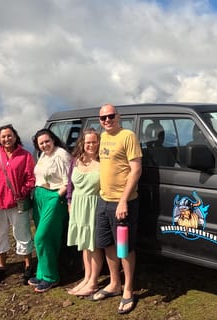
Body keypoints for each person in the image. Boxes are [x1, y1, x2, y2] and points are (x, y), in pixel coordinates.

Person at [90, 104, 142, 315]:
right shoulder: (102, 137)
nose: (107, 120)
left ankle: (128, 289)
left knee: (124, 247)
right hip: (103, 201)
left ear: (118, 116)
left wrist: (123, 201)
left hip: (122, 203)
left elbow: (136, 169)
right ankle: (114, 283)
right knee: (108, 244)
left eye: (110, 116)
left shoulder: (128, 136)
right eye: (103, 118)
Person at [0, 124, 36, 286]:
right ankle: (2, 266)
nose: (7, 139)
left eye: (9, 135)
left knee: (23, 234)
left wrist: (22, 192)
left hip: (18, 204)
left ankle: (27, 266)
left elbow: (31, 178)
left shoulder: (25, 156)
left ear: (15, 137)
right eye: (3, 136)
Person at [28, 129, 72, 293]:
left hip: (54, 197)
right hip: (40, 196)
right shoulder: (43, 155)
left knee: (42, 236)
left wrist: (56, 197)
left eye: (47, 141)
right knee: (46, 237)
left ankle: (51, 277)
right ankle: (42, 273)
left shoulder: (61, 155)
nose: (45, 145)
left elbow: (69, 181)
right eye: (41, 143)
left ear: (53, 140)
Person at [64, 128, 102, 297]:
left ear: (99, 143)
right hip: (78, 204)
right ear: (82, 143)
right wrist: (69, 201)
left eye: (94, 142)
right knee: (84, 244)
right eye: (88, 142)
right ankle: (86, 277)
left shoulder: (103, 162)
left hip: (94, 204)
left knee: (93, 245)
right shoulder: (76, 160)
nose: (91, 145)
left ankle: (93, 282)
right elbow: (69, 184)